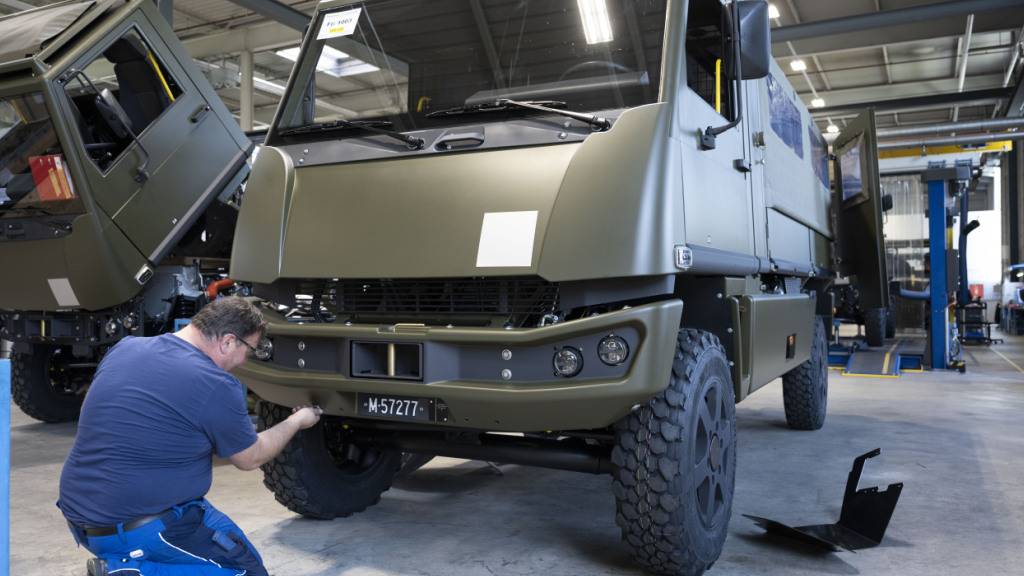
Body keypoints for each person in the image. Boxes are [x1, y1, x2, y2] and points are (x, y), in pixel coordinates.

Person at [58, 296, 323, 576]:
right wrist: (296, 421)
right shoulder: (215, 383)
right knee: (246, 573)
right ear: (228, 341)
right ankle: (128, 572)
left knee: (243, 554)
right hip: (137, 527)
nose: (245, 360)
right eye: (250, 350)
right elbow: (251, 457)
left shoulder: (126, 347)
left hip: (82, 513)